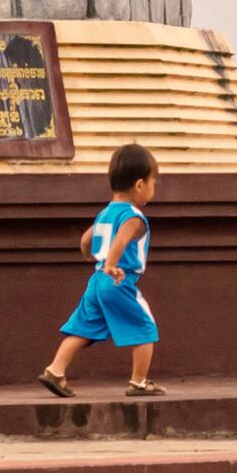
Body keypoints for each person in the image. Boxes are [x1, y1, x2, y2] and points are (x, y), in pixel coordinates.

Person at [39, 144, 162, 399]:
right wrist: (111, 264)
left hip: (96, 281)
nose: (153, 189)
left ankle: (55, 370)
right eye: (153, 183)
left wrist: (94, 259)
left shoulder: (105, 213)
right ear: (139, 185)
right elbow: (121, 240)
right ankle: (139, 382)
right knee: (144, 326)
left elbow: (86, 240)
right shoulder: (134, 216)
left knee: (83, 328)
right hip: (119, 279)